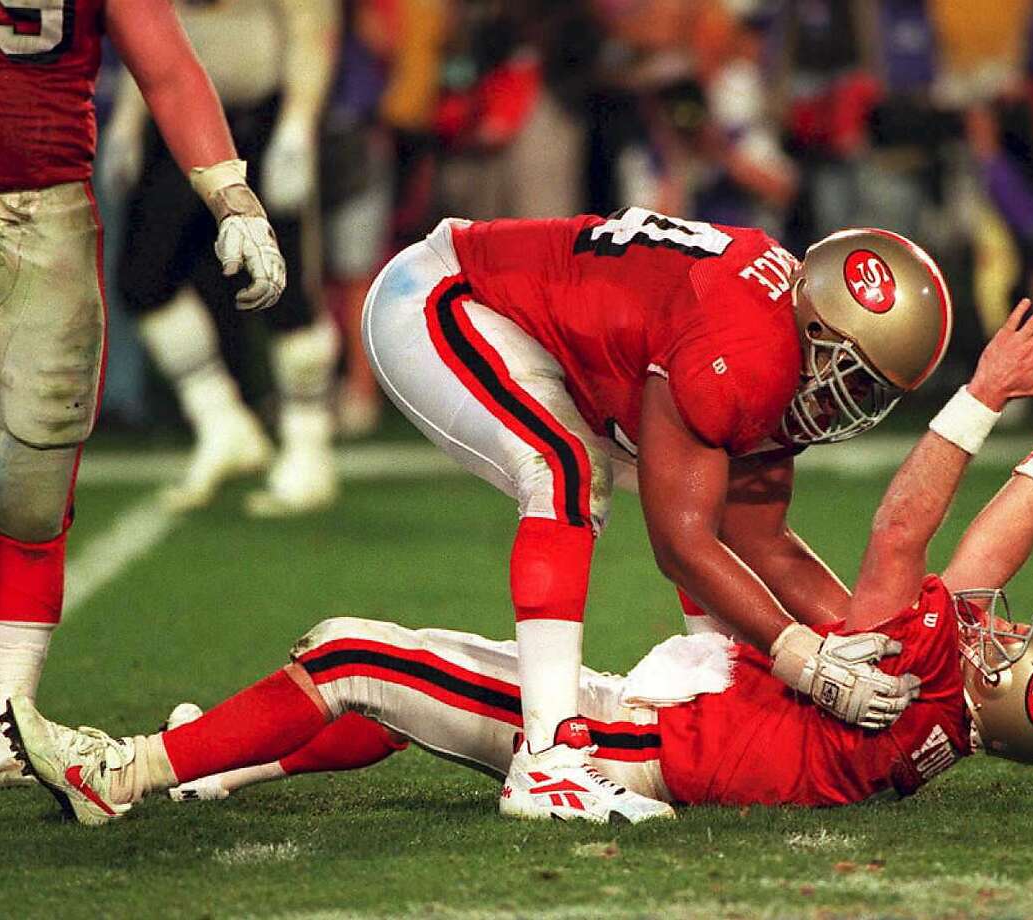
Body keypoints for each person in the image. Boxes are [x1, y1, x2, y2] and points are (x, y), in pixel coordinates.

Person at [2, 303, 1033, 824]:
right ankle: (222, 768)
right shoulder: (946, 697)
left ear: (1009, 693)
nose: (1003, 624)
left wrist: (979, 398)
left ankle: (133, 769)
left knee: (352, 652)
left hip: (629, 741)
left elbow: (907, 538)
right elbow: (965, 573)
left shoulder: (911, 672)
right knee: (390, 681)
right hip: (666, 719)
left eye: (1019, 645)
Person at [355, 207, 954, 821]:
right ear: (817, 328)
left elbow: (762, 543)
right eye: (853, 379)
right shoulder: (746, 344)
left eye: (872, 394)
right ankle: (547, 761)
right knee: (567, 472)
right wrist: (802, 655)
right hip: (445, 296)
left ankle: (712, 708)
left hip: (542, 339)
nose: (848, 404)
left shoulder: (779, 338)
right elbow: (680, 545)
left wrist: (870, 646)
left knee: (683, 505)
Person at [0, 0, 286, 788]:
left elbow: (168, 66)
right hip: (38, 216)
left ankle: (1, 718)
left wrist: (232, 196)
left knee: (33, 483)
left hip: (43, 215)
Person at [101, 0, 340, 516]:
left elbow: (311, 30)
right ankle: (221, 422)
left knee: (285, 288)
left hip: (258, 123)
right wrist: (125, 123)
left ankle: (308, 445)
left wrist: (297, 127)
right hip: (178, 132)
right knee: (143, 280)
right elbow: (151, 41)